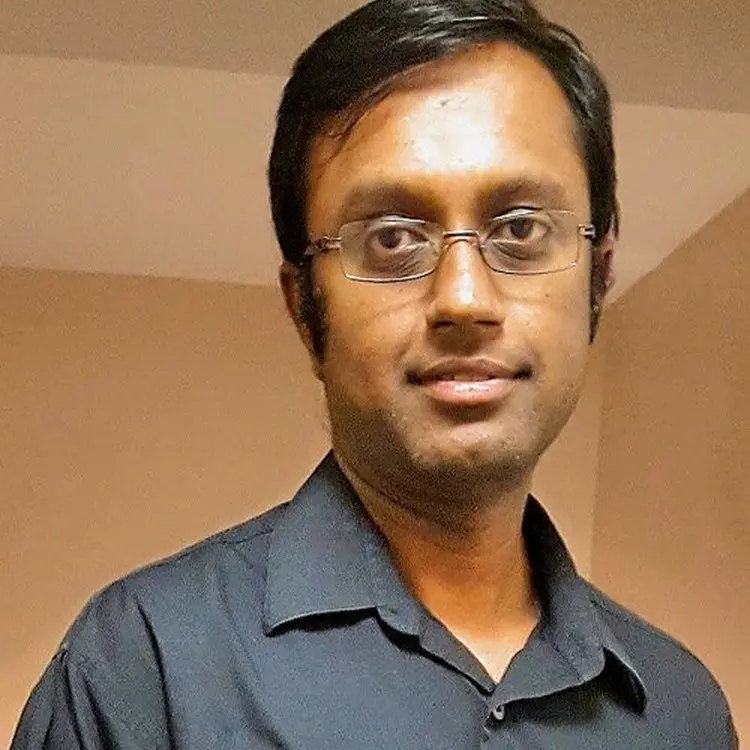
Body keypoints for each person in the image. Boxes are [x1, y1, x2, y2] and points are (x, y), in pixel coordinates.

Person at [12, 0, 738, 747]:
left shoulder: (682, 715)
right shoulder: (142, 669)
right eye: (392, 238)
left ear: (599, 277)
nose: (464, 298)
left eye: (520, 228)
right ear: (305, 306)